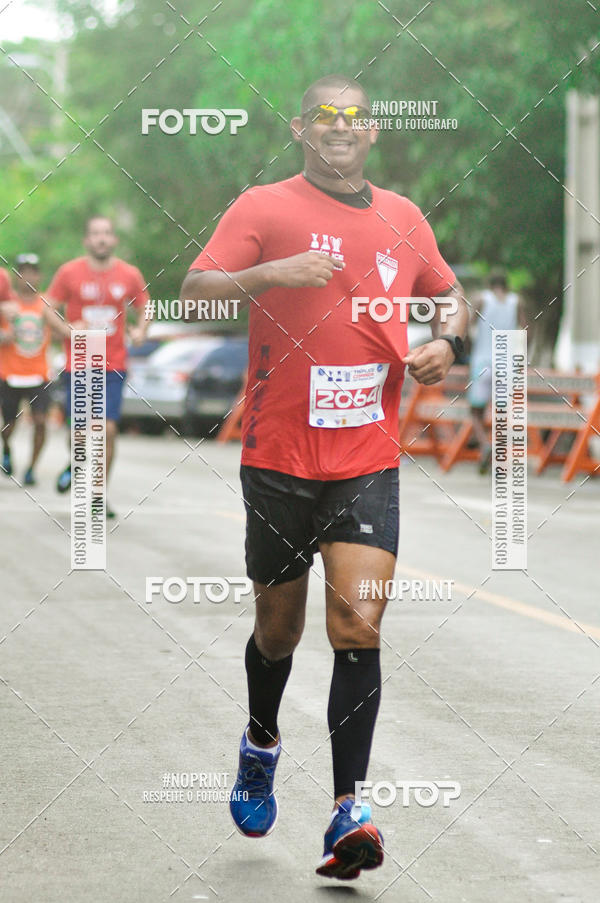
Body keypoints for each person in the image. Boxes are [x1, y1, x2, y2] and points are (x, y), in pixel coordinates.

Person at [181, 74, 469, 881]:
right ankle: (261, 740)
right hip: (277, 457)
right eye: (325, 118)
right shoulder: (263, 207)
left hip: (366, 458)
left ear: (372, 132)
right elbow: (195, 290)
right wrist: (271, 274)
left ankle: (350, 809)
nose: (340, 129)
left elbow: (451, 300)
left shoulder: (403, 217)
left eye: (354, 119)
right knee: (280, 629)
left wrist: (451, 345)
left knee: (359, 624)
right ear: (302, 128)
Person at [47, 216, 150, 517]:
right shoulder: (69, 272)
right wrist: (67, 330)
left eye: (106, 233)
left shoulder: (128, 274)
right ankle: (76, 463)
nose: (101, 238)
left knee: (108, 430)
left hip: (113, 364)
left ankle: (97, 495)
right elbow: (47, 307)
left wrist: (142, 330)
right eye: (95, 234)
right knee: (79, 432)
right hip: (79, 363)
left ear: (114, 240)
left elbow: (146, 305)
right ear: (87, 241)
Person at [0, 254, 69, 484]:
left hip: (39, 373)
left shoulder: (47, 304)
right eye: (23, 271)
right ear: (17, 276)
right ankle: (7, 449)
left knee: (40, 421)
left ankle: (31, 468)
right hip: (9, 373)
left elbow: (61, 330)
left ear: (39, 276)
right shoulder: (6, 305)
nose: (28, 276)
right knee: (9, 424)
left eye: (33, 271)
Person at [468, 272, 526, 473]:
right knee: (501, 413)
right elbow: (525, 329)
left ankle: (485, 444)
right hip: (506, 365)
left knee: (476, 411)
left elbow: (468, 328)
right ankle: (500, 457)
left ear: (489, 284)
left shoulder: (481, 299)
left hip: (482, 363)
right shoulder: (516, 301)